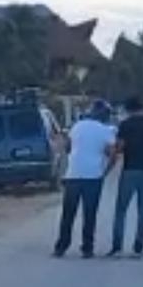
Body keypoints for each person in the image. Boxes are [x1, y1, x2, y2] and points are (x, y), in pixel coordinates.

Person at [53, 100, 116, 258]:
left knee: (68, 213)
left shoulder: (77, 126)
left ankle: (61, 246)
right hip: (93, 176)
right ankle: (87, 248)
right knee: (89, 214)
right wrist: (105, 171)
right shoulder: (105, 131)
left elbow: (67, 147)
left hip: (73, 174)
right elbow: (113, 154)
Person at [108, 97, 143, 257]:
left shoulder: (126, 125)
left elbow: (119, 147)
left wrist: (111, 160)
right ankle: (139, 246)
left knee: (121, 209)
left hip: (130, 169)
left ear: (129, 109)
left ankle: (117, 246)